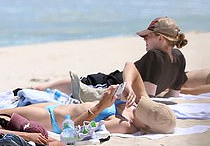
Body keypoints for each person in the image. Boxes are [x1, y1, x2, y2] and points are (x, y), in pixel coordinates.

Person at [0, 63, 177, 135]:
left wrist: (102, 106)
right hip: (56, 107)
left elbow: (78, 129)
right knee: (0, 112)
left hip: (53, 120)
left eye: (140, 111)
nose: (136, 108)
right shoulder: (132, 108)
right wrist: (126, 86)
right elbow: (131, 67)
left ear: (145, 127)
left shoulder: (125, 125)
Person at [33, 17, 188, 98]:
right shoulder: (179, 58)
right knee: (81, 82)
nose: (145, 40)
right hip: (114, 82)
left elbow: (146, 98)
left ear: (160, 38)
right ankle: (41, 88)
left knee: (81, 83)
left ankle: (40, 88)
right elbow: (173, 95)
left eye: (147, 37)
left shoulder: (154, 57)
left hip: (111, 85)